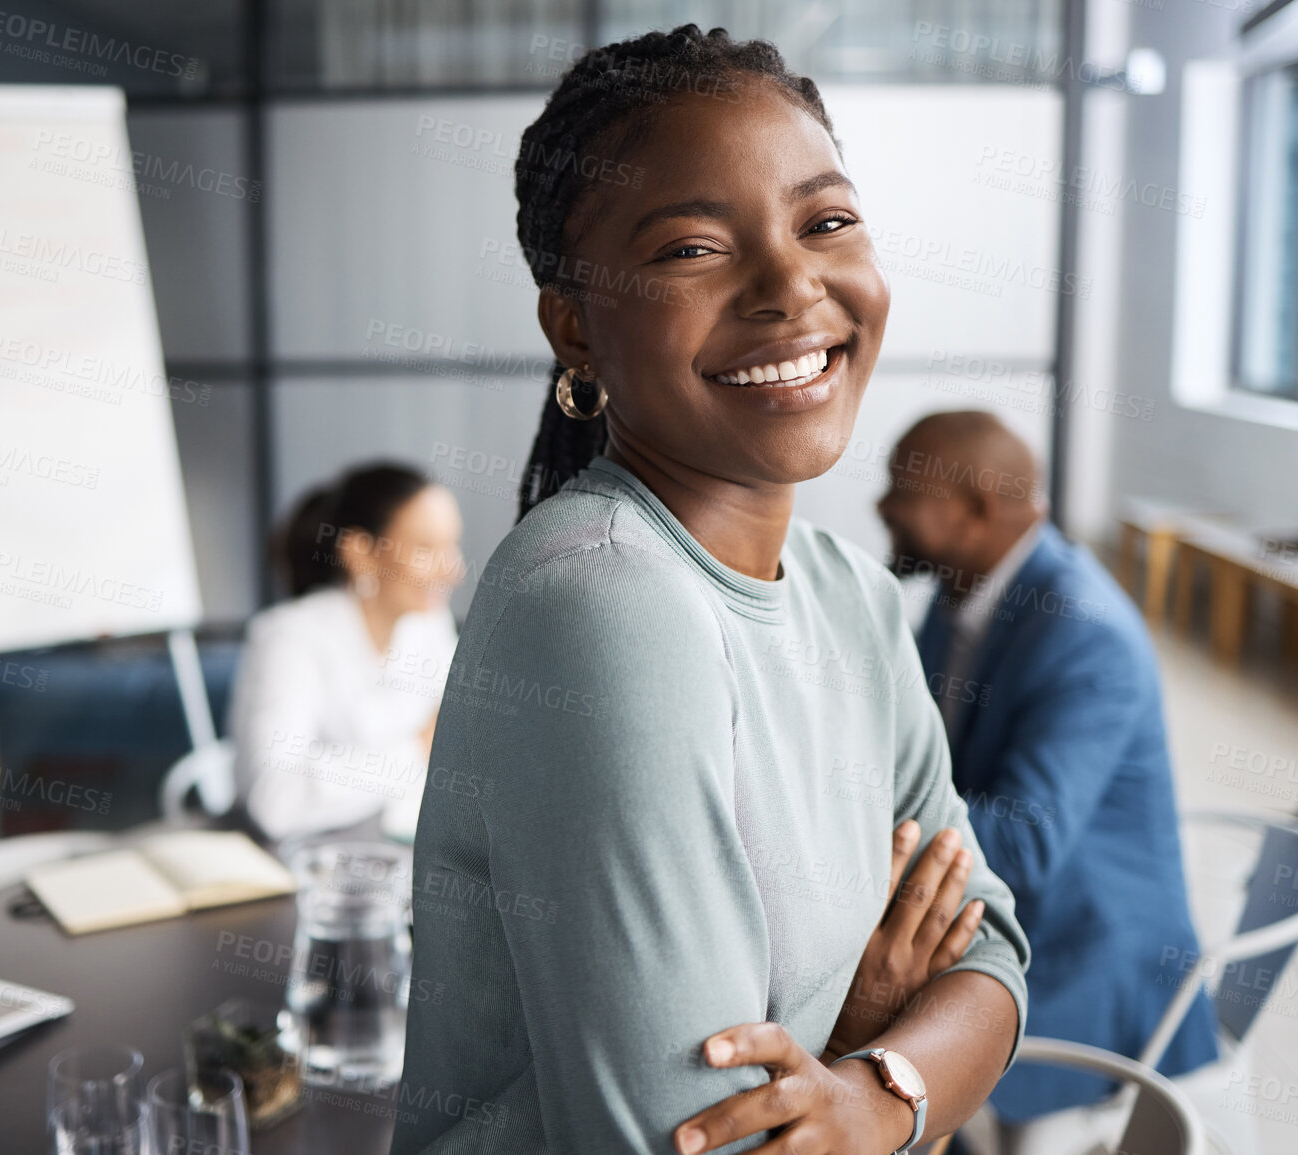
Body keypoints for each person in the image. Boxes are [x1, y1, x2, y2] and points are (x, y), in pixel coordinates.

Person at [393, 27, 1030, 1155]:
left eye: (826, 222)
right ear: (576, 326)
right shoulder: (600, 600)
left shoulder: (854, 599)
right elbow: (700, 1141)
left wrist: (869, 1093)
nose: (793, 285)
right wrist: (876, 1030)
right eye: (695, 248)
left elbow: (991, 952)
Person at [876, 411, 1217, 1152]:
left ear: (975, 510)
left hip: (1085, 953)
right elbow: (926, 757)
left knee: (863, 1039)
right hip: (1018, 909)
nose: (883, 507)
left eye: (903, 490)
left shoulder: (1082, 632)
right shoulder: (959, 588)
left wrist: (859, 814)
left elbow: (1023, 843)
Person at [227, 463, 464, 843]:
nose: (454, 569)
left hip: (391, 850)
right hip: (299, 865)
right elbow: (275, 802)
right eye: (425, 549)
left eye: (452, 545)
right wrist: (418, 747)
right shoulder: (290, 639)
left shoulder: (427, 625)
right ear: (360, 553)